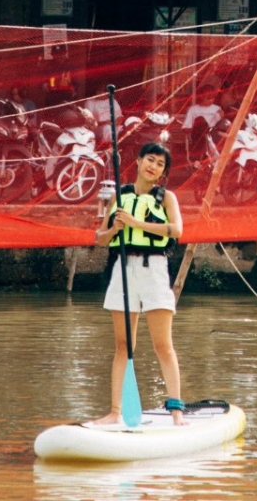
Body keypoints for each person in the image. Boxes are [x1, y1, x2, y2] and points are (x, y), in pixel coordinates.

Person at [88, 140, 186, 428]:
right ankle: (116, 411)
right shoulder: (120, 196)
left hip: (154, 269)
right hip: (124, 269)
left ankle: (176, 412)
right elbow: (100, 238)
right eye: (150, 160)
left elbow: (177, 230)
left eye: (160, 165)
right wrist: (115, 228)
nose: (153, 167)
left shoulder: (166, 198)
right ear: (139, 161)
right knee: (123, 346)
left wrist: (135, 224)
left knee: (162, 346)